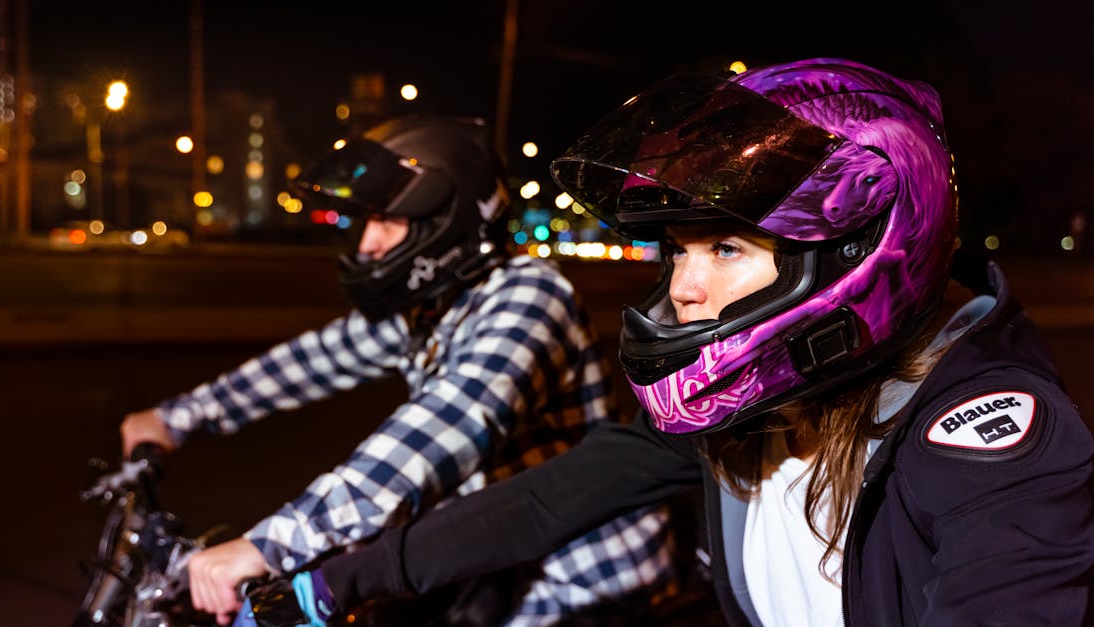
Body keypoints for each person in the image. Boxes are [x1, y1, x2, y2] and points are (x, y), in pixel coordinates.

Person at [260, 59, 1094, 626]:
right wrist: (330, 582)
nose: (685, 289)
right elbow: (556, 498)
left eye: (725, 249)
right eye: (679, 251)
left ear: (851, 251)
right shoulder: (763, 404)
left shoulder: (992, 437)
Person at [119, 115, 678, 626]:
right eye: (364, 221)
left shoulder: (530, 296)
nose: (367, 243)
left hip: (580, 582)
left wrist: (270, 544)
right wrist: (175, 419)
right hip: (490, 564)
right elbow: (312, 360)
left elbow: (441, 428)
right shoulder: (436, 306)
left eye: (385, 220)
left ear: (446, 218)